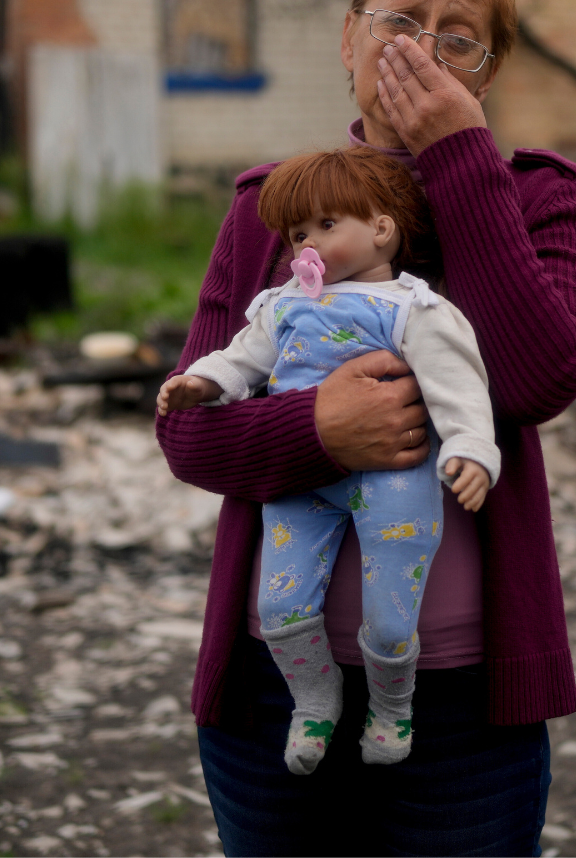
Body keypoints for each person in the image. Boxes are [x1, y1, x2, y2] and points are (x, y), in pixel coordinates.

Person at [155, 0, 576, 856]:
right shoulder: (271, 208)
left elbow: (537, 378)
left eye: (457, 36)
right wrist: (321, 428)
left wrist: (459, 160)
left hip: (464, 697)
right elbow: (190, 433)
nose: (422, 49)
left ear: (488, 70)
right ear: (348, 41)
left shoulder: (536, 199)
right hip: (275, 684)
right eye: (400, 21)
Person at [157, 145, 500, 775]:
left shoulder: (414, 309)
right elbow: (240, 359)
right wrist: (200, 383)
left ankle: (393, 707)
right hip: (304, 476)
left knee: (393, 612)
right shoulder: (281, 304)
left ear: (381, 227)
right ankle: (315, 702)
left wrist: (473, 451)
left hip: (395, 476)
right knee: (283, 602)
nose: (305, 246)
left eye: (326, 225)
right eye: (297, 234)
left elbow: (459, 386)